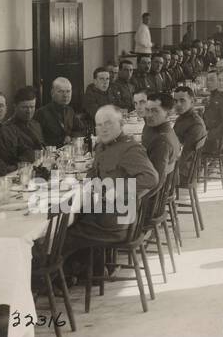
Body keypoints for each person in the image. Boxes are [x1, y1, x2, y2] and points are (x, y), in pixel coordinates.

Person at [60, 105, 161, 267]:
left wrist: (115, 191)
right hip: (101, 213)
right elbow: (94, 173)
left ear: (121, 124)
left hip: (116, 223)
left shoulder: (130, 149)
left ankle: (51, 281)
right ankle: (83, 271)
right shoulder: (101, 146)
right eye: (99, 125)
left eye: (108, 123)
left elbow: (151, 178)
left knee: (60, 236)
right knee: (65, 219)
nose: (103, 129)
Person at [141, 92, 182, 181]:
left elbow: (155, 180)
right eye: (147, 110)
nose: (149, 115)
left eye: (155, 111)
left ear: (168, 113)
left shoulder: (161, 142)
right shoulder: (164, 131)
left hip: (151, 190)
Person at [35, 77, 86, 148]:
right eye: (61, 91)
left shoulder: (70, 110)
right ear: (52, 93)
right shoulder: (41, 113)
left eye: (68, 91)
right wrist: (62, 140)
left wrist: (70, 137)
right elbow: (38, 140)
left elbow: (81, 130)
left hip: (68, 153)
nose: (65, 95)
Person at [171, 85, 207, 183]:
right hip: (181, 167)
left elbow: (184, 155)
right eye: (175, 101)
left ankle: (130, 197)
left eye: (182, 101)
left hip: (183, 172)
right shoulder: (183, 118)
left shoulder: (195, 124)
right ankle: (130, 197)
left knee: (132, 176)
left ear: (192, 101)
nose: (178, 104)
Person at [6, 86, 45, 153]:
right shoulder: (7, 128)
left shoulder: (36, 124)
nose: (29, 111)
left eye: (32, 107)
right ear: (15, 107)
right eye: (24, 107)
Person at [80, 67, 116, 132]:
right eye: (102, 79)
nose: (105, 82)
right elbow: (98, 115)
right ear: (95, 81)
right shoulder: (89, 95)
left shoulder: (110, 91)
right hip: (96, 130)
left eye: (107, 79)